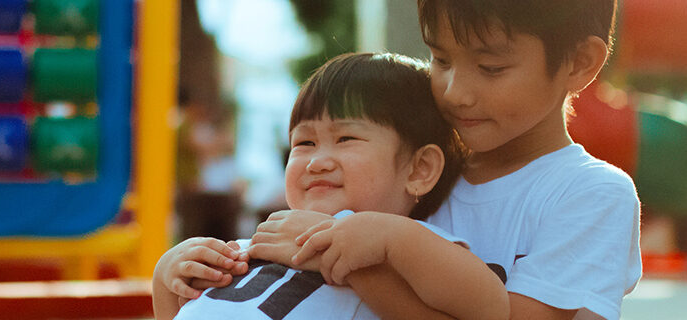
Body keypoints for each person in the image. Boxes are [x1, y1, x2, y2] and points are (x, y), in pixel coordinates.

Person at [250, 0, 643, 319]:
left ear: (579, 62)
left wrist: (348, 260)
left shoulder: (591, 193)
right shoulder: (416, 167)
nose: (456, 92)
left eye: (491, 68)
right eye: (440, 59)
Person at [152, 53, 508, 320]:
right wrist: (167, 278)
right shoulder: (255, 245)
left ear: (420, 169)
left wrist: (390, 240)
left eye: (346, 138)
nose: (316, 160)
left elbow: (490, 308)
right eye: (303, 143)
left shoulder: (411, 246)